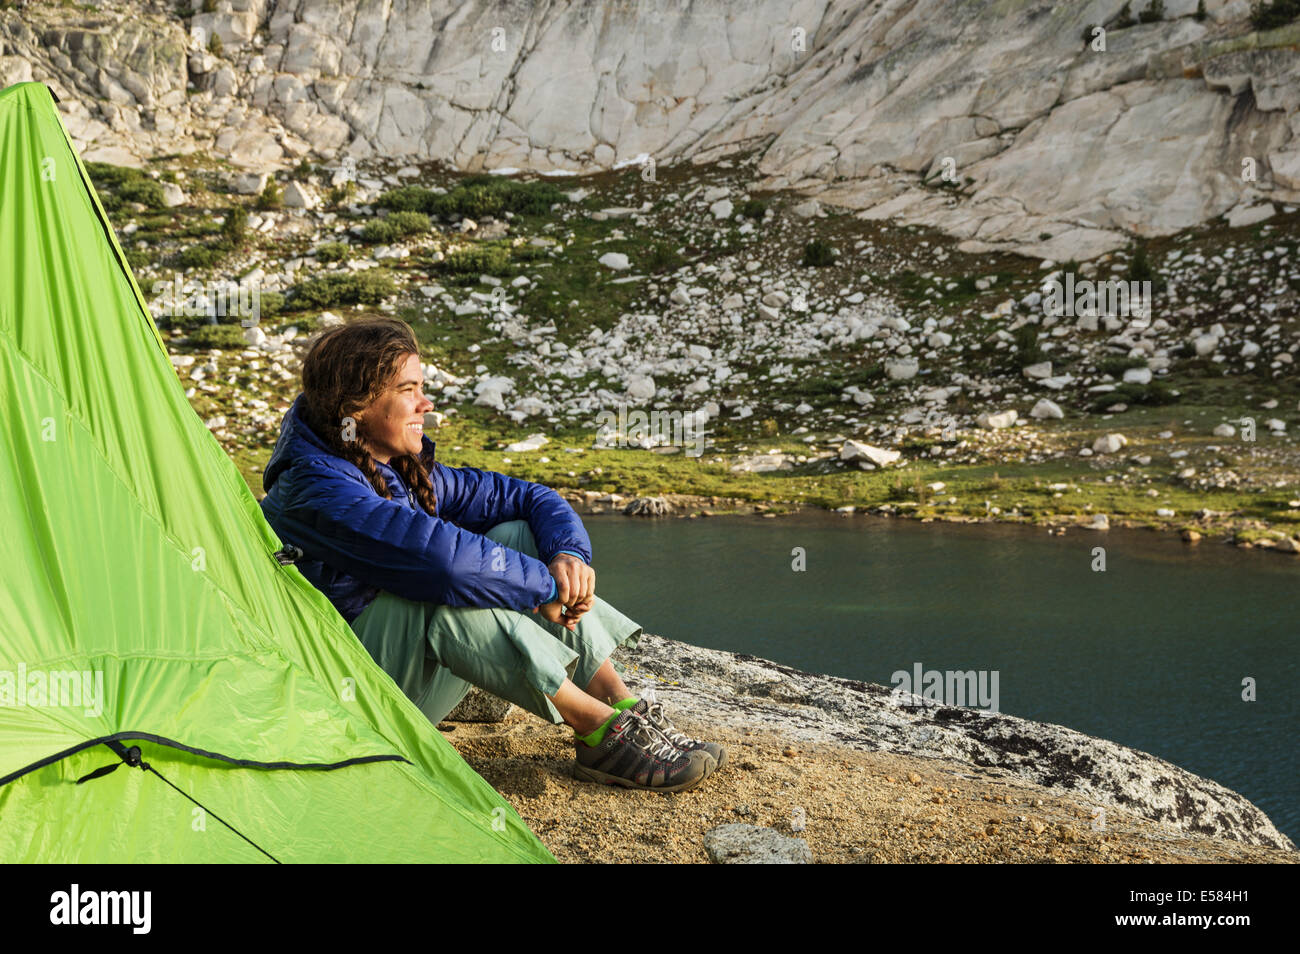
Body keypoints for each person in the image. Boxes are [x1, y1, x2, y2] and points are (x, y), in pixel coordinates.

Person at [258, 316, 725, 792]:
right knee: (440, 595)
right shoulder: (318, 487)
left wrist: (566, 555)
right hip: (352, 706)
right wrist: (543, 586)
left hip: (394, 678)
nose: (427, 402)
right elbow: (443, 564)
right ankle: (594, 729)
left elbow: (531, 498)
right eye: (408, 389)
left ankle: (621, 707)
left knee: (520, 532)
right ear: (356, 406)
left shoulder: (386, 463)